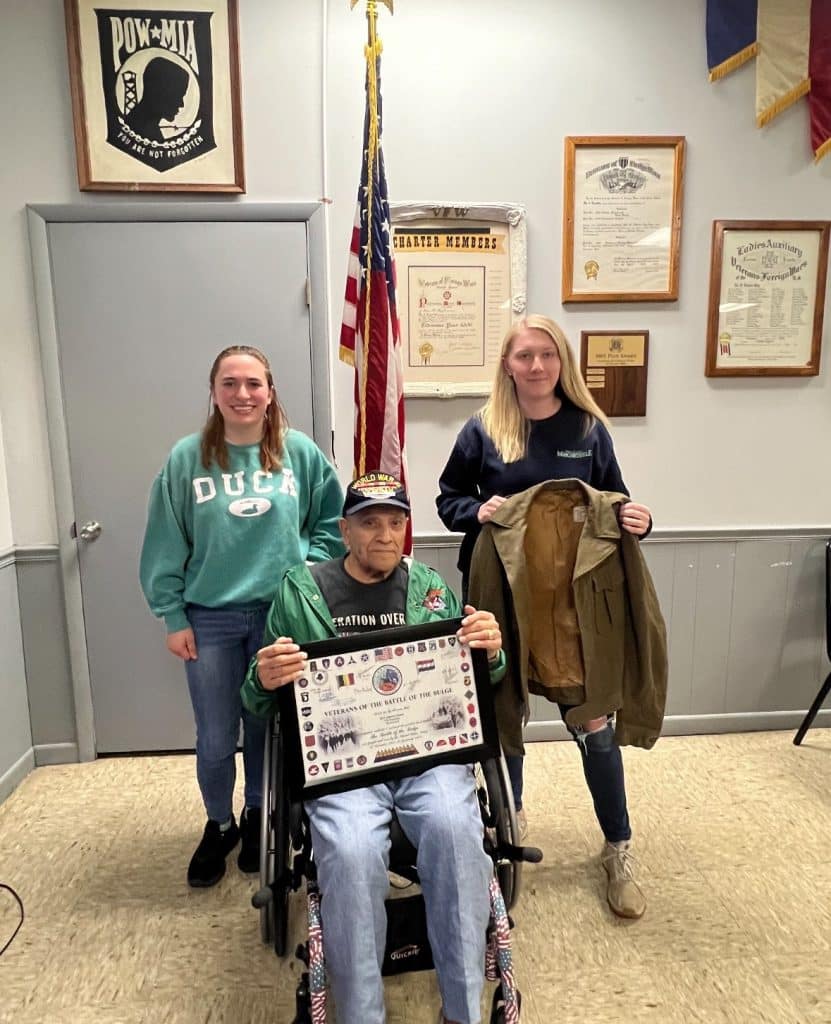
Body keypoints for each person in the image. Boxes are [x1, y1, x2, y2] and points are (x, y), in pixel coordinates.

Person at [241, 472, 506, 1024]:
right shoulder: (302, 589)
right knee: (355, 851)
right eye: (369, 522)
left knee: (457, 836)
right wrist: (263, 677)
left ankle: (464, 1013)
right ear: (344, 530)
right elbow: (261, 699)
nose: (384, 534)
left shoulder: (429, 586)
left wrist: (491, 650)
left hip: (427, 758)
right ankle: (361, 1016)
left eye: (395, 522)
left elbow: (477, 680)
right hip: (344, 765)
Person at [436, 314, 653, 920]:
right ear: (507, 364)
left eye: (547, 355)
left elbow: (617, 500)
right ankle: (509, 831)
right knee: (503, 720)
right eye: (524, 355)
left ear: (562, 363)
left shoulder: (587, 428)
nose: (536, 366)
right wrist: (479, 510)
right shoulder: (484, 429)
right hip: (502, 595)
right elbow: (448, 500)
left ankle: (618, 848)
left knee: (595, 724)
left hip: (574, 604)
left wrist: (641, 519)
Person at [140, 345, 344, 888]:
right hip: (210, 617)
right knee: (214, 734)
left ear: (270, 391)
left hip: (279, 615)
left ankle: (258, 815)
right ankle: (219, 822)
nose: (243, 394)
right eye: (230, 384)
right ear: (214, 393)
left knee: (266, 725)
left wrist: (311, 569)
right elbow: (165, 542)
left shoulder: (297, 452)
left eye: (253, 384)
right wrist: (172, 615)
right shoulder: (188, 459)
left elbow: (332, 518)